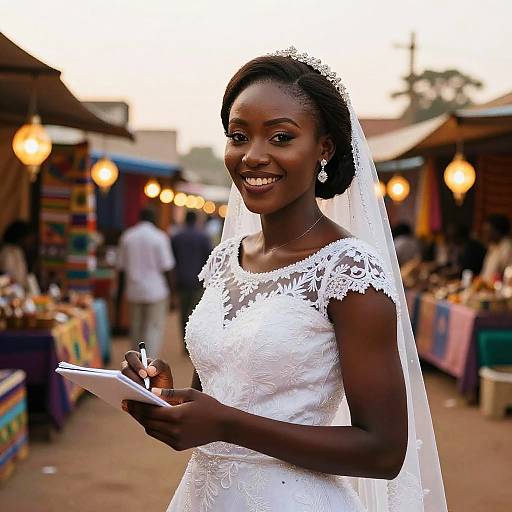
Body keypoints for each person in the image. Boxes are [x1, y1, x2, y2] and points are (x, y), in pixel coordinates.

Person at [121, 49, 447, 511]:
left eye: (280, 137)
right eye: (238, 136)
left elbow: (384, 451)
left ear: (324, 149)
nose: (253, 156)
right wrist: (163, 396)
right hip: (204, 498)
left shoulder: (348, 272)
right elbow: (217, 397)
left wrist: (229, 425)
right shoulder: (225, 259)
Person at [116, 207, 177, 357]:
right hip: (156, 291)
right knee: (153, 327)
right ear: (153, 219)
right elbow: (167, 268)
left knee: (136, 327)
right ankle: (149, 361)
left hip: (134, 290)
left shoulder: (128, 236)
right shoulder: (159, 237)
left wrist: (120, 293)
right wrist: (173, 293)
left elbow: (121, 268)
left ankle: (136, 360)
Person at [171, 210, 212, 344]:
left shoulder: (177, 237)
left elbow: (173, 259)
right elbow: (209, 258)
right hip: (198, 280)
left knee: (182, 312)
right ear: (196, 220)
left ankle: (184, 341)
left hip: (181, 279)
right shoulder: (203, 236)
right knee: (195, 312)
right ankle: (192, 342)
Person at [481, 214, 512, 283]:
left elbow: (505, 279)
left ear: (497, 231)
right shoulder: (493, 246)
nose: (484, 234)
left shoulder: (506, 249)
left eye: (487, 231)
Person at [0, 220, 32, 287]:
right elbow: (8, 274)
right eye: (27, 238)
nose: (28, 241)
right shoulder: (7, 251)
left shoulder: (18, 251)